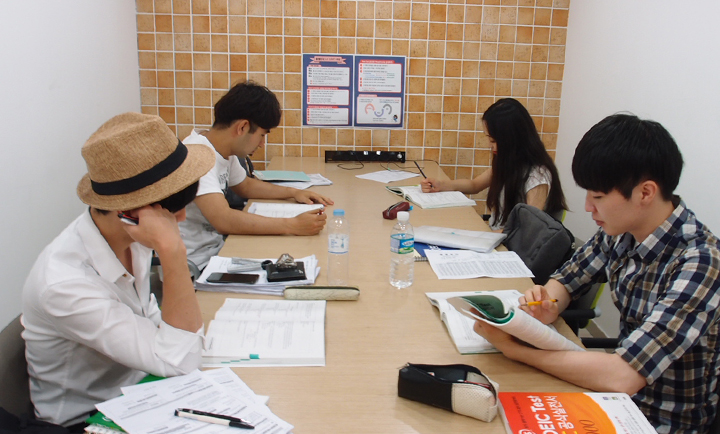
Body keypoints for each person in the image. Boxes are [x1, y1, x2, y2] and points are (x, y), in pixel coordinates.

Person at [474, 114, 720, 434]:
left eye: (599, 197)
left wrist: (516, 350)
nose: (589, 207)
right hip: (613, 399)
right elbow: (568, 277)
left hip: (659, 420)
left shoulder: (700, 263)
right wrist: (548, 301)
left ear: (645, 192)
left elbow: (623, 375)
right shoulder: (622, 230)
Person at [21, 113, 216, 427]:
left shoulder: (131, 238)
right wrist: (172, 251)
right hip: (88, 420)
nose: (180, 219)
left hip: (141, 389)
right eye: (173, 209)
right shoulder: (63, 284)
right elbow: (181, 361)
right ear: (129, 212)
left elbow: (162, 332)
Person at [179, 81, 333, 270]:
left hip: (217, 250)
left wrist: (293, 192)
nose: (262, 144)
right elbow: (223, 220)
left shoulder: (221, 148)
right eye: (262, 135)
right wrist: (292, 225)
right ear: (242, 127)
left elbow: (245, 185)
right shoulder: (197, 155)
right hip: (195, 266)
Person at [421, 98, 566, 230]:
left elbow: (528, 227)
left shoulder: (538, 176)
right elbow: (475, 185)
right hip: (497, 236)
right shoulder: (509, 163)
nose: (490, 145)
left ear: (512, 139)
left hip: (511, 244)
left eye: (494, 140)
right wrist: (441, 185)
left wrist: (492, 237)